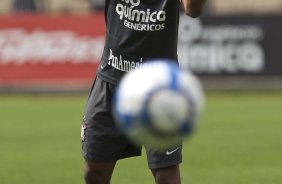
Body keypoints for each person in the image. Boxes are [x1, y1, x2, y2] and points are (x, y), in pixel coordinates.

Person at [81, 0, 206, 183]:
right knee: (95, 170)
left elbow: (193, 10)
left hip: (160, 86)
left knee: (166, 173)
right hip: (111, 77)